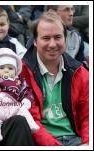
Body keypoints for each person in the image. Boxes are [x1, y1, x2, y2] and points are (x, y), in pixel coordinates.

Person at [21, 11, 89, 146]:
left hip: (77, 140)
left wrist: (87, 144)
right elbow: (31, 119)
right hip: (40, 142)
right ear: (34, 41)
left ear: (65, 38)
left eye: (58, 37)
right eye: (46, 38)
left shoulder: (80, 73)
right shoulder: (22, 72)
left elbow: (88, 115)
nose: (52, 44)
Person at [0, 48, 39, 143]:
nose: (6, 71)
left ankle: (31, 124)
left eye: (10, 68)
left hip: (13, 103)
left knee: (23, 111)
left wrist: (26, 100)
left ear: (16, 70)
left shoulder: (19, 81)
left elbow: (27, 91)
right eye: (2, 68)